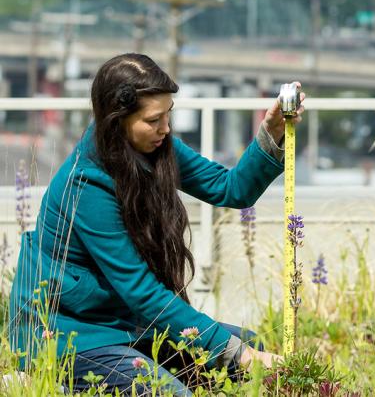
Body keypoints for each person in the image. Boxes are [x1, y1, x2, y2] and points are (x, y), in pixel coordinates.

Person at [8, 53, 304, 395]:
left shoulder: (156, 146)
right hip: (70, 335)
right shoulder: (85, 184)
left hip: (126, 324)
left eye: (168, 115)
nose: (165, 128)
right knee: (180, 388)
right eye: (153, 120)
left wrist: (270, 132)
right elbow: (142, 292)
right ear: (117, 120)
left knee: (252, 345)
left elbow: (230, 188)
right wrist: (239, 355)